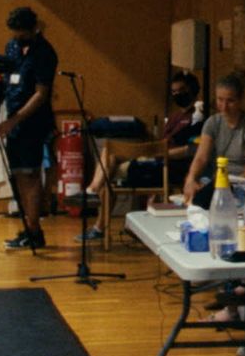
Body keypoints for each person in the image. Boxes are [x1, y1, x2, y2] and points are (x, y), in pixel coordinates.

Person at [79, 70, 205, 242]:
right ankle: (93, 193)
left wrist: (159, 153)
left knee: (110, 167)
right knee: (108, 155)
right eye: (173, 92)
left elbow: (191, 150)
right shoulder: (174, 117)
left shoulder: (198, 119)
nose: (177, 95)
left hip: (170, 165)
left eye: (181, 90)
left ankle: (95, 204)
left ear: (192, 90)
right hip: (154, 158)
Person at [0, 6, 58, 251]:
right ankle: (27, 227)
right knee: (18, 175)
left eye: (21, 33)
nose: (17, 38)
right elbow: (7, 78)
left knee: (30, 174)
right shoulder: (12, 47)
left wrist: (16, 120)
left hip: (33, 122)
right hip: (12, 116)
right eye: (14, 33)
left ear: (33, 29)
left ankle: (34, 230)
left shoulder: (45, 52)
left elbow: (41, 94)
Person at [183, 73, 245, 208]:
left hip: (241, 184)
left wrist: (228, 185)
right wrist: (191, 178)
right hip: (216, 181)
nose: (224, 106)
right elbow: (201, 157)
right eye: (220, 100)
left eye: (230, 101)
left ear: (240, 100)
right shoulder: (212, 123)